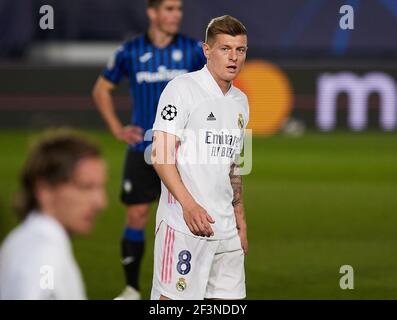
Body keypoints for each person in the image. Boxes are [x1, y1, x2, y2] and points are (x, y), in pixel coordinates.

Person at [92, 0, 206, 300]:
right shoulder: (129, 51)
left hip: (182, 154)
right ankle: (131, 288)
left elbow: (209, 91)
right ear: (152, 12)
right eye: (169, 9)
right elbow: (101, 88)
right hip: (143, 148)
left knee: (190, 217)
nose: (176, 15)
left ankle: (191, 288)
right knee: (137, 215)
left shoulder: (194, 50)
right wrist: (117, 128)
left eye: (179, 9)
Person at [150, 15, 249, 300]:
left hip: (226, 230)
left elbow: (235, 164)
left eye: (240, 50)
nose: (233, 57)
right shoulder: (181, 89)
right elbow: (159, 154)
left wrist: (240, 219)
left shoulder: (241, 101)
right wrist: (189, 205)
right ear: (206, 50)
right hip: (184, 225)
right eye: (225, 48)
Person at [0, 132, 107, 300]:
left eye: (100, 188)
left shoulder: (27, 240)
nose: (101, 202)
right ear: (45, 191)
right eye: (86, 187)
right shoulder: (44, 256)